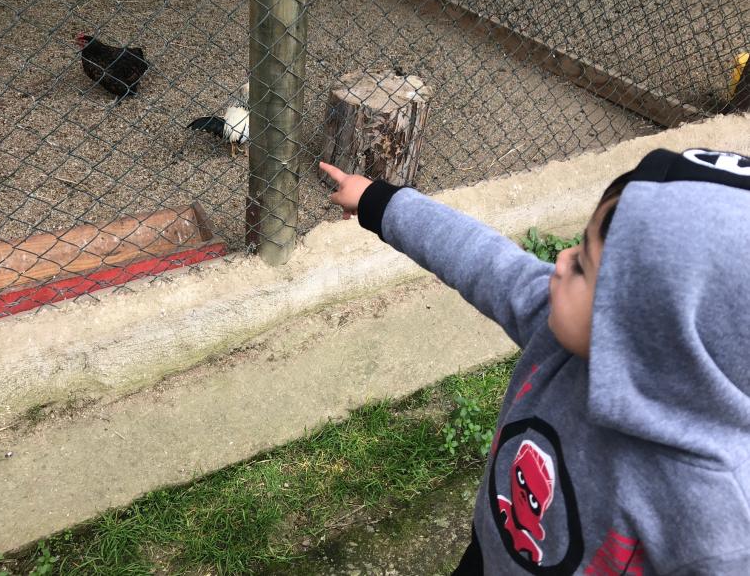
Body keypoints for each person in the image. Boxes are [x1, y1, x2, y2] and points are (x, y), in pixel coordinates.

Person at [320, 147, 750, 574]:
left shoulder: (720, 524)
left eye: (584, 265)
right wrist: (381, 202)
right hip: (492, 550)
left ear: (655, 329)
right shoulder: (564, 332)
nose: (561, 261)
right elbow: (485, 263)